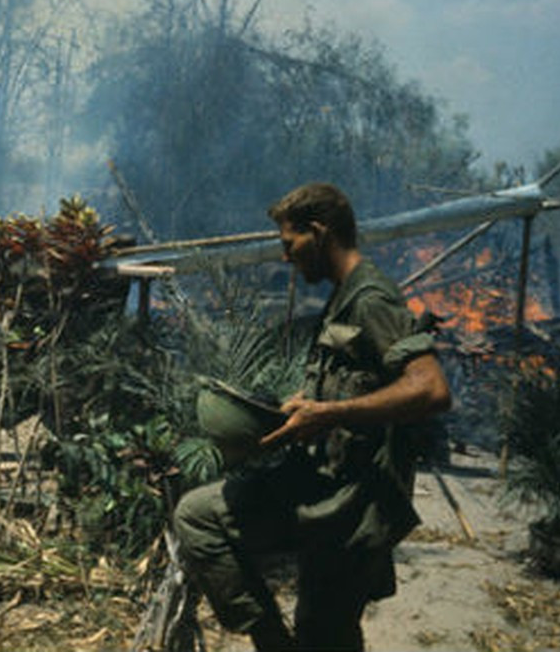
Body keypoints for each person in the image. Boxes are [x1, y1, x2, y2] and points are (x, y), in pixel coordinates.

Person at [173, 182, 452, 650]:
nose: (286, 257)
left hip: (353, 504)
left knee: (325, 634)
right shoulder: (343, 294)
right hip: (321, 485)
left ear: (318, 231)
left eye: (290, 243)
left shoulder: (371, 298)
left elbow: (431, 388)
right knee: (198, 515)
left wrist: (329, 413)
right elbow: (355, 375)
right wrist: (299, 404)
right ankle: (270, 640)